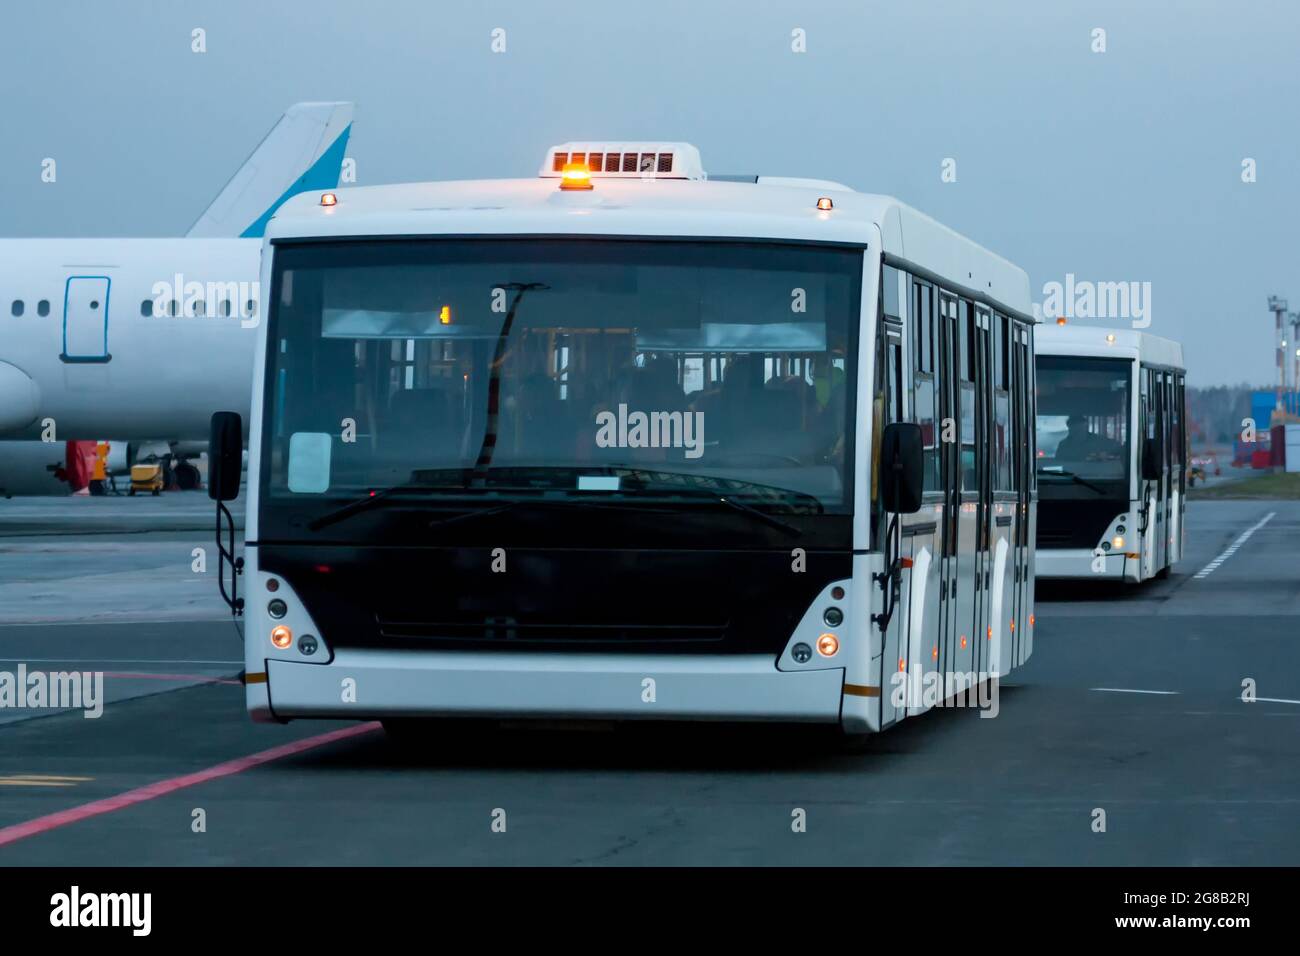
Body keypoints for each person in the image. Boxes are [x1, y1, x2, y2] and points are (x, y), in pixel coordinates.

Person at [1055, 414, 1120, 462]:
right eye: (1074, 429)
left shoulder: (1099, 441)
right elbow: (1058, 463)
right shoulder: (1063, 445)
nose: (1077, 431)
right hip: (1070, 477)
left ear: (1085, 427)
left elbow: (1117, 448)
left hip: (1096, 477)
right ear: (1070, 428)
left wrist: (1104, 455)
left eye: (1079, 429)